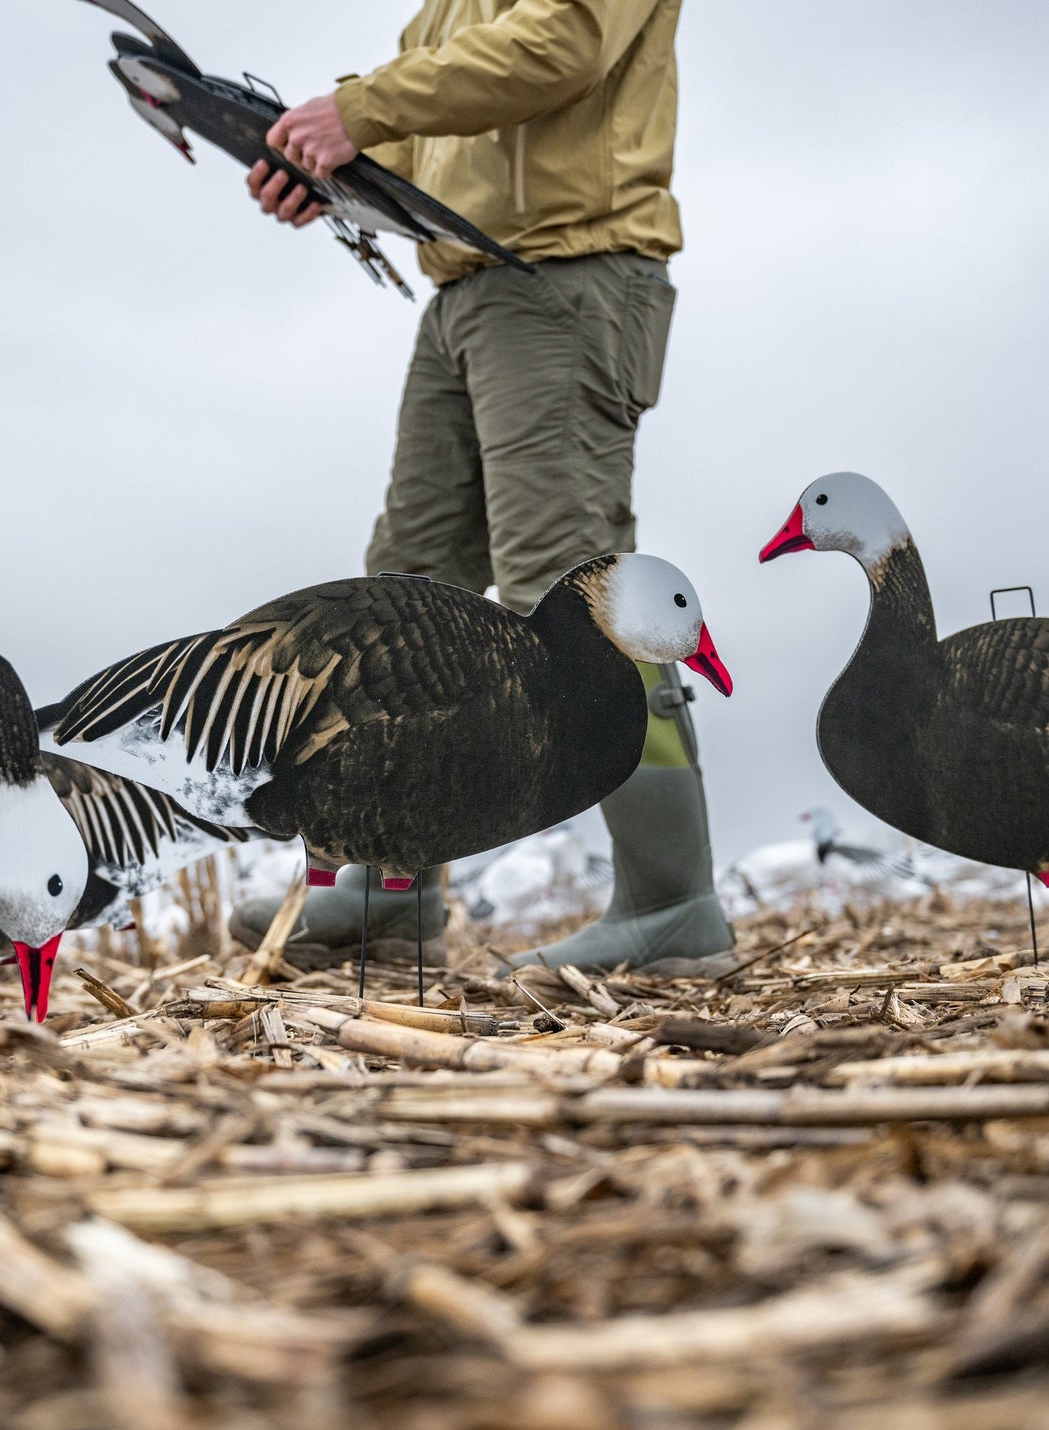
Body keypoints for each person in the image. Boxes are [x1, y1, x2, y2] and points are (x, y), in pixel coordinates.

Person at [229, 0, 734, 976]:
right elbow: (432, 144)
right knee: (405, 594)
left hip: (568, 277)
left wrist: (358, 108)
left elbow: (562, 45)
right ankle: (387, 879)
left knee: (581, 593)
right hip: (461, 291)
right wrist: (329, 176)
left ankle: (672, 899)